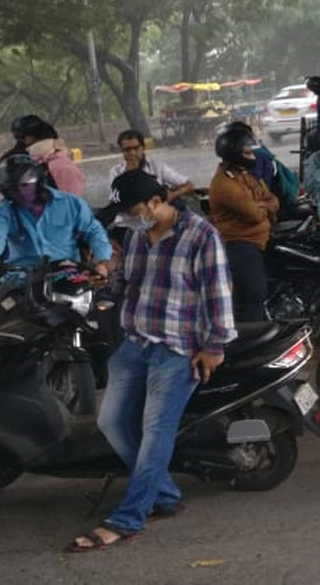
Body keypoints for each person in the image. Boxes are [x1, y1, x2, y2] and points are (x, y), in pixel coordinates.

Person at [65, 170, 235, 553]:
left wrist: (214, 347)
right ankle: (165, 495)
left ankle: (128, 518)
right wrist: (103, 278)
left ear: (158, 202)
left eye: (134, 211)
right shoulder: (138, 235)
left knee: (154, 433)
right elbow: (128, 282)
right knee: (111, 421)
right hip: (136, 341)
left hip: (177, 349)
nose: (128, 219)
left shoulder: (201, 236)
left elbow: (219, 296)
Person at [0, 154, 111, 277]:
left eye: (25, 185)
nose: (21, 192)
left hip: (67, 275)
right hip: (22, 278)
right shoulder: (5, 210)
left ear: (38, 182)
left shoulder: (71, 203)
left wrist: (103, 261)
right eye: (13, 189)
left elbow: (94, 232)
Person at [209, 128, 278, 322]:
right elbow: (255, 215)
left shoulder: (243, 173)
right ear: (234, 154)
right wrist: (266, 206)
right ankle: (253, 339)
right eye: (247, 152)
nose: (252, 155)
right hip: (241, 244)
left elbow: (272, 199)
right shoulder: (225, 185)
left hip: (259, 239)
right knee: (256, 297)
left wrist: (265, 204)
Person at [109, 130, 194, 203]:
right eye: (127, 150)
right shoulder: (116, 172)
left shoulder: (157, 166)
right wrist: (130, 174)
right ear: (122, 151)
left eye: (136, 148)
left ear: (143, 148)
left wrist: (172, 195)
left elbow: (189, 185)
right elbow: (114, 200)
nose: (132, 153)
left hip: (160, 212)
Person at [24, 119, 86, 196]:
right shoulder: (35, 164)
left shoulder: (62, 168)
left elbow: (69, 202)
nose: (28, 148)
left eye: (32, 143)